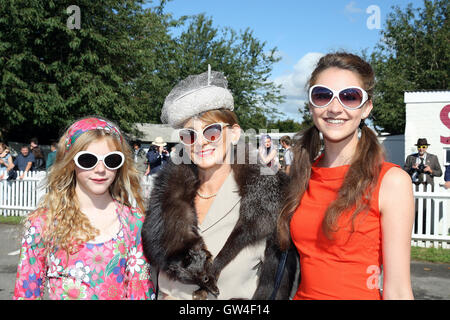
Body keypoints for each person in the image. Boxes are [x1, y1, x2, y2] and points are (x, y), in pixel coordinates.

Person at [142, 67, 297, 300]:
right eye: (189, 135)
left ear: (234, 134)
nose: (201, 142)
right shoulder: (164, 198)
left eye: (212, 132)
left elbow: (280, 284)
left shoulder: (272, 199)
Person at [277, 52, 415, 300]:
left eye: (350, 97)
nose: (334, 108)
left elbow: (399, 290)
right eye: (322, 95)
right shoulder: (299, 175)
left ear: (366, 108)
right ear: (311, 105)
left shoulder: (391, 182)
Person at [14, 116, 155, 300]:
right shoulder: (43, 223)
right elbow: (26, 293)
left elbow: (141, 291)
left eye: (111, 160)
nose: (100, 169)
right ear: (71, 162)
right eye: (88, 160)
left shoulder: (135, 223)